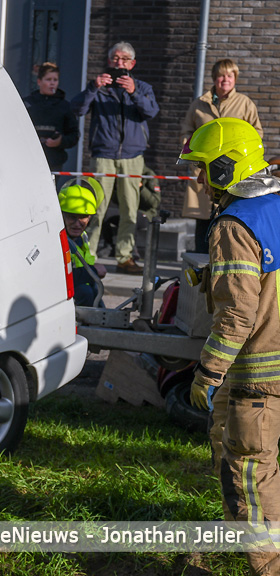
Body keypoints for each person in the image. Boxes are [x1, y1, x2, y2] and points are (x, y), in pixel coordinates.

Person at [179, 117, 280, 575]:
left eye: (204, 169)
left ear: (225, 168)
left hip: (256, 379)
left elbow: (238, 314)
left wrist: (208, 374)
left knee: (251, 479)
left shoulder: (235, 225)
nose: (199, 180)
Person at [71, 41, 159, 275]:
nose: (119, 63)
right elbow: (77, 109)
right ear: (109, 61)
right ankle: (86, 256)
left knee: (130, 209)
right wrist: (93, 87)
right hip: (103, 156)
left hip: (132, 157)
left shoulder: (142, 87)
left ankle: (125, 256)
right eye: (116, 59)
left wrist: (134, 92)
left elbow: (151, 111)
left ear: (132, 64)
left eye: (124, 60)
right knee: (95, 208)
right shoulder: (100, 87)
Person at [181, 59, 263, 254]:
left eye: (229, 75)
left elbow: (256, 134)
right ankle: (201, 262)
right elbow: (186, 131)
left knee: (229, 216)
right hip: (204, 171)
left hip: (231, 173)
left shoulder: (245, 104)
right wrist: (194, 160)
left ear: (235, 78)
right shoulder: (199, 104)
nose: (225, 80)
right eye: (221, 75)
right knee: (202, 221)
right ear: (214, 78)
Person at [23, 62, 80, 171]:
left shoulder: (65, 106)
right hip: (29, 159)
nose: (52, 83)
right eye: (48, 80)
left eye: (55, 80)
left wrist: (60, 141)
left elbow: (74, 135)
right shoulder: (27, 104)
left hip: (54, 161)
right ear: (39, 81)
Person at [59, 178, 107, 307]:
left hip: (82, 287)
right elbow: (60, 277)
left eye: (83, 217)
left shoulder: (82, 237)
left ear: (90, 217)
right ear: (62, 215)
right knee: (85, 292)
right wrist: (93, 271)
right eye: (72, 217)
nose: (77, 223)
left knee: (94, 290)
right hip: (66, 295)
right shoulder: (57, 241)